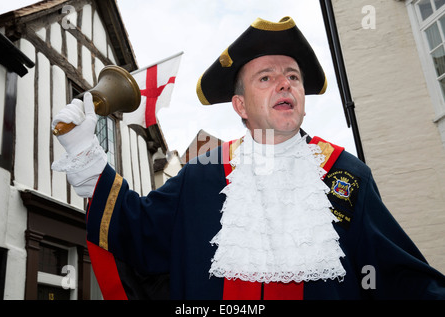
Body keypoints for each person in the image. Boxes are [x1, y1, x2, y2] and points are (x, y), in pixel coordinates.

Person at [52, 16, 445, 300]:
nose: (285, 82)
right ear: (240, 104)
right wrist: (87, 158)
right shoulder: (202, 175)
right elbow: (137, 233)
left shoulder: (345, 174)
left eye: (293, 76)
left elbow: (396, 277)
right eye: (266, 77)